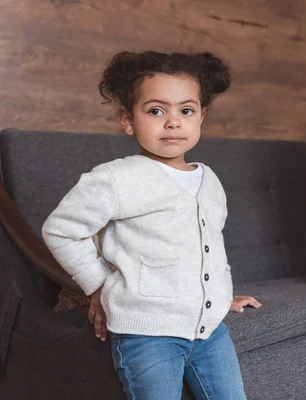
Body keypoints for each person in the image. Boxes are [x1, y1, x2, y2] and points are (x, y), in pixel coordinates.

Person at [42, 51, 260, 400]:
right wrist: (98, 285)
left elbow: (207, 247)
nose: (173, 122)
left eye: (186, 111)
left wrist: (215, 296)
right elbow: (61, 230)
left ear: (202, 116)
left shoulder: (210, 180)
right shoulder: (117, 178)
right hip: (146, 334)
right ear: (128, 119)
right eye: (156, 110)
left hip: (209, 333)